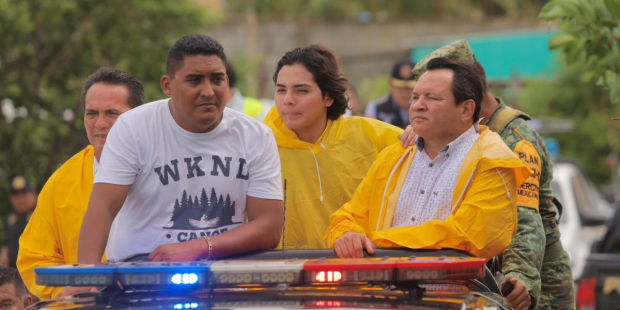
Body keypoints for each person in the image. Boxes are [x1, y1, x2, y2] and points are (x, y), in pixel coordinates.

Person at [78, 34, 283, 265]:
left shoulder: (256, 136)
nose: (208, 91)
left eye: (217, 79)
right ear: (167, 85)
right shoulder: (133, 128)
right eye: (194, 80)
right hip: (138, 278)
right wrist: (86, 277)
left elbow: (269, 228)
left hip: (225, 278)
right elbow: (102, 209)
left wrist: (198, 248)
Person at [410, 40, 575, 310]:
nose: (422, 104)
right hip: (484, 281)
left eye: (435, 95)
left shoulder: (515, 140)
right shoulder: (459, 137)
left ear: (466, 94)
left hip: (537, 286)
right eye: (419, 97)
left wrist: (519, 278)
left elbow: (523, 221)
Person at [325, 57, 530, 262]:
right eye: (415, 97)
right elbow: (349, 217)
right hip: (381, 289)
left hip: (454, 292)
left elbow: (471, 236)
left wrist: (377, 243)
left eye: (432, 98)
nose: (417, 106)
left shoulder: (492, 160)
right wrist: (347, 235)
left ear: (466, 109)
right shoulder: (394, 156)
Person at [17, 68, 145, 300]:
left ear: (138, 117)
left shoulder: (164, 169)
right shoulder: (62, 181)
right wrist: (65, 291)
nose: (100, 124)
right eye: (92, 113)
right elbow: (33, 256)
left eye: (112, 113)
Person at [263, 45, 403, 249]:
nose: (288, 100)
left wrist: (418, 135)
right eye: (281, 90)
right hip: (285, 274)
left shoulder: (371, 135)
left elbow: (428, 152)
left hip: (360, 271)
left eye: (301, 91)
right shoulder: (259, 146)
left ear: (328, 97)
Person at [364, 60, 416, 129]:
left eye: (409, 88)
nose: (405, 93)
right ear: (390, 84)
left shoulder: (424, 107)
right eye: (400, 87)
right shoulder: (376, 107)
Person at [1, 176, 37, 268]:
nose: (20, 199)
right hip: (13, 273)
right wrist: (5, 250)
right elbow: (7, 242)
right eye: (15, 195)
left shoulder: (40, 217)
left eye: (24, 193)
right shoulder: (11, 220)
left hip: (34, 273)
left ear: (34, 195)